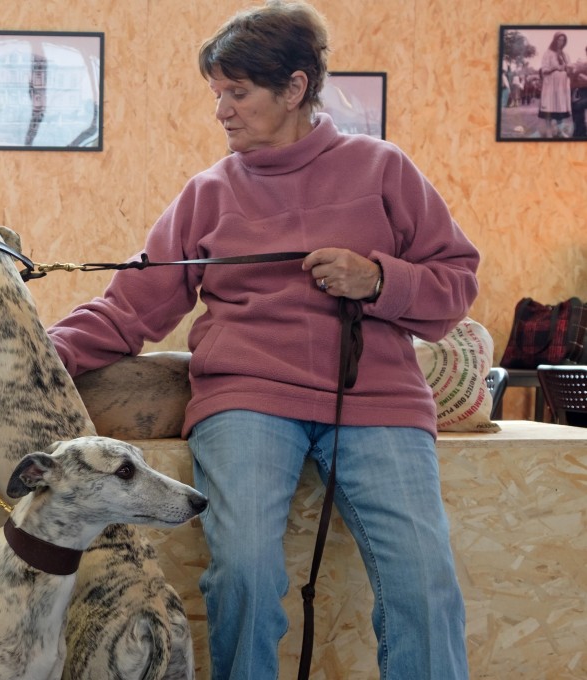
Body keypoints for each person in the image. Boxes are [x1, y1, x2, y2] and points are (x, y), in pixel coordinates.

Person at [47, 2, 477, 678]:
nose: (222, 110)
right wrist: (42, 351)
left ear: (296, 87)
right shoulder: (207, 193)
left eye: (237, 92)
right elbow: (131, 306)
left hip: (376, 399)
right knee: (242, 572)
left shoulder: (384, 169)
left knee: (425, 585)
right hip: (245, 399)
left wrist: (377, 279)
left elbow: (455, 288)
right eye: (218, 93)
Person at [538, 31, 572, 138]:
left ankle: (559, 131)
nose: (561, 42)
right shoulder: (548, 53)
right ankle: (548, 131)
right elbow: (544, 70)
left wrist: (568, 69)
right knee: (549, 106)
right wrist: (555, 68)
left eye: (563, 40)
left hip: (562, 86)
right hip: (550, 85)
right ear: (555, 40)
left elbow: (569, 68)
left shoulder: (565, 54)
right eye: (559, 39)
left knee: (560, 108)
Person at [570, 45, 587, 139]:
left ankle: (580, 132)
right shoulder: (582, 67)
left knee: (578, 105)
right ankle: (580, 132)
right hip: (583, 93)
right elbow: (573, 83)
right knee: (576, 105)